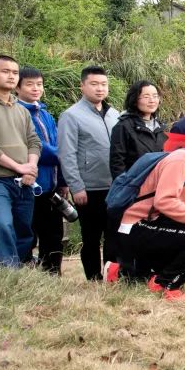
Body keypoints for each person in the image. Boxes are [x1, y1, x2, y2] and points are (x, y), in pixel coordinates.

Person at [113, 116, 185, 300]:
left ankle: (121, 272)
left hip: (160, 227)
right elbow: (164, 202)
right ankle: (165, 284)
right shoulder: (182, 159)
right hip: (138, 226)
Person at [58, 65, 120, 280]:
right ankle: (93, 279)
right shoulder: (71, 116)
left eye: (103, 84)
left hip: (115, 186)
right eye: (94, 84)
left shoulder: (115, 114)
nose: (99, 89)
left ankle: (112, 277)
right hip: (89, 188)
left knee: (114, 235)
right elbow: (67, 154)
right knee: (92, 237)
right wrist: (76, 186)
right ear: (82, 86)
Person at [0, 56, 41, 267]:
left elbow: (34, 141)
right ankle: (5, 274)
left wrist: (31, 167)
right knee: (2, 224)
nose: (11, 76)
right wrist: (19, 166)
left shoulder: (21, 110)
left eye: (15, 72)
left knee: (23, 230)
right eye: (5, 71)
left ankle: (12, 275)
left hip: (24, 181)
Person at [15, 67, 62, 274]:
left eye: (39, 84)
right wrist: (67, 155)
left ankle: (52, 276)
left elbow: (57, 143)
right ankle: (24, 277)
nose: (36, 88)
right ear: (17, 87)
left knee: (53, 235)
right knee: (27, 234)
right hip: (29, 186)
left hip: (50, 186)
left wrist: (63, 181)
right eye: (30, 84)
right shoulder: (17, 112)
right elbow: (38, 148)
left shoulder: (45, 113)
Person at [109, 80, 167, 179]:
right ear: (135, 100)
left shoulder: (160, 126)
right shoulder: (123, 126)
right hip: (135, 185)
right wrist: (125, 187)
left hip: (159, 183)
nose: (152, 100)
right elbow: (117, 163)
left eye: (155, 96)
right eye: (146, 97)